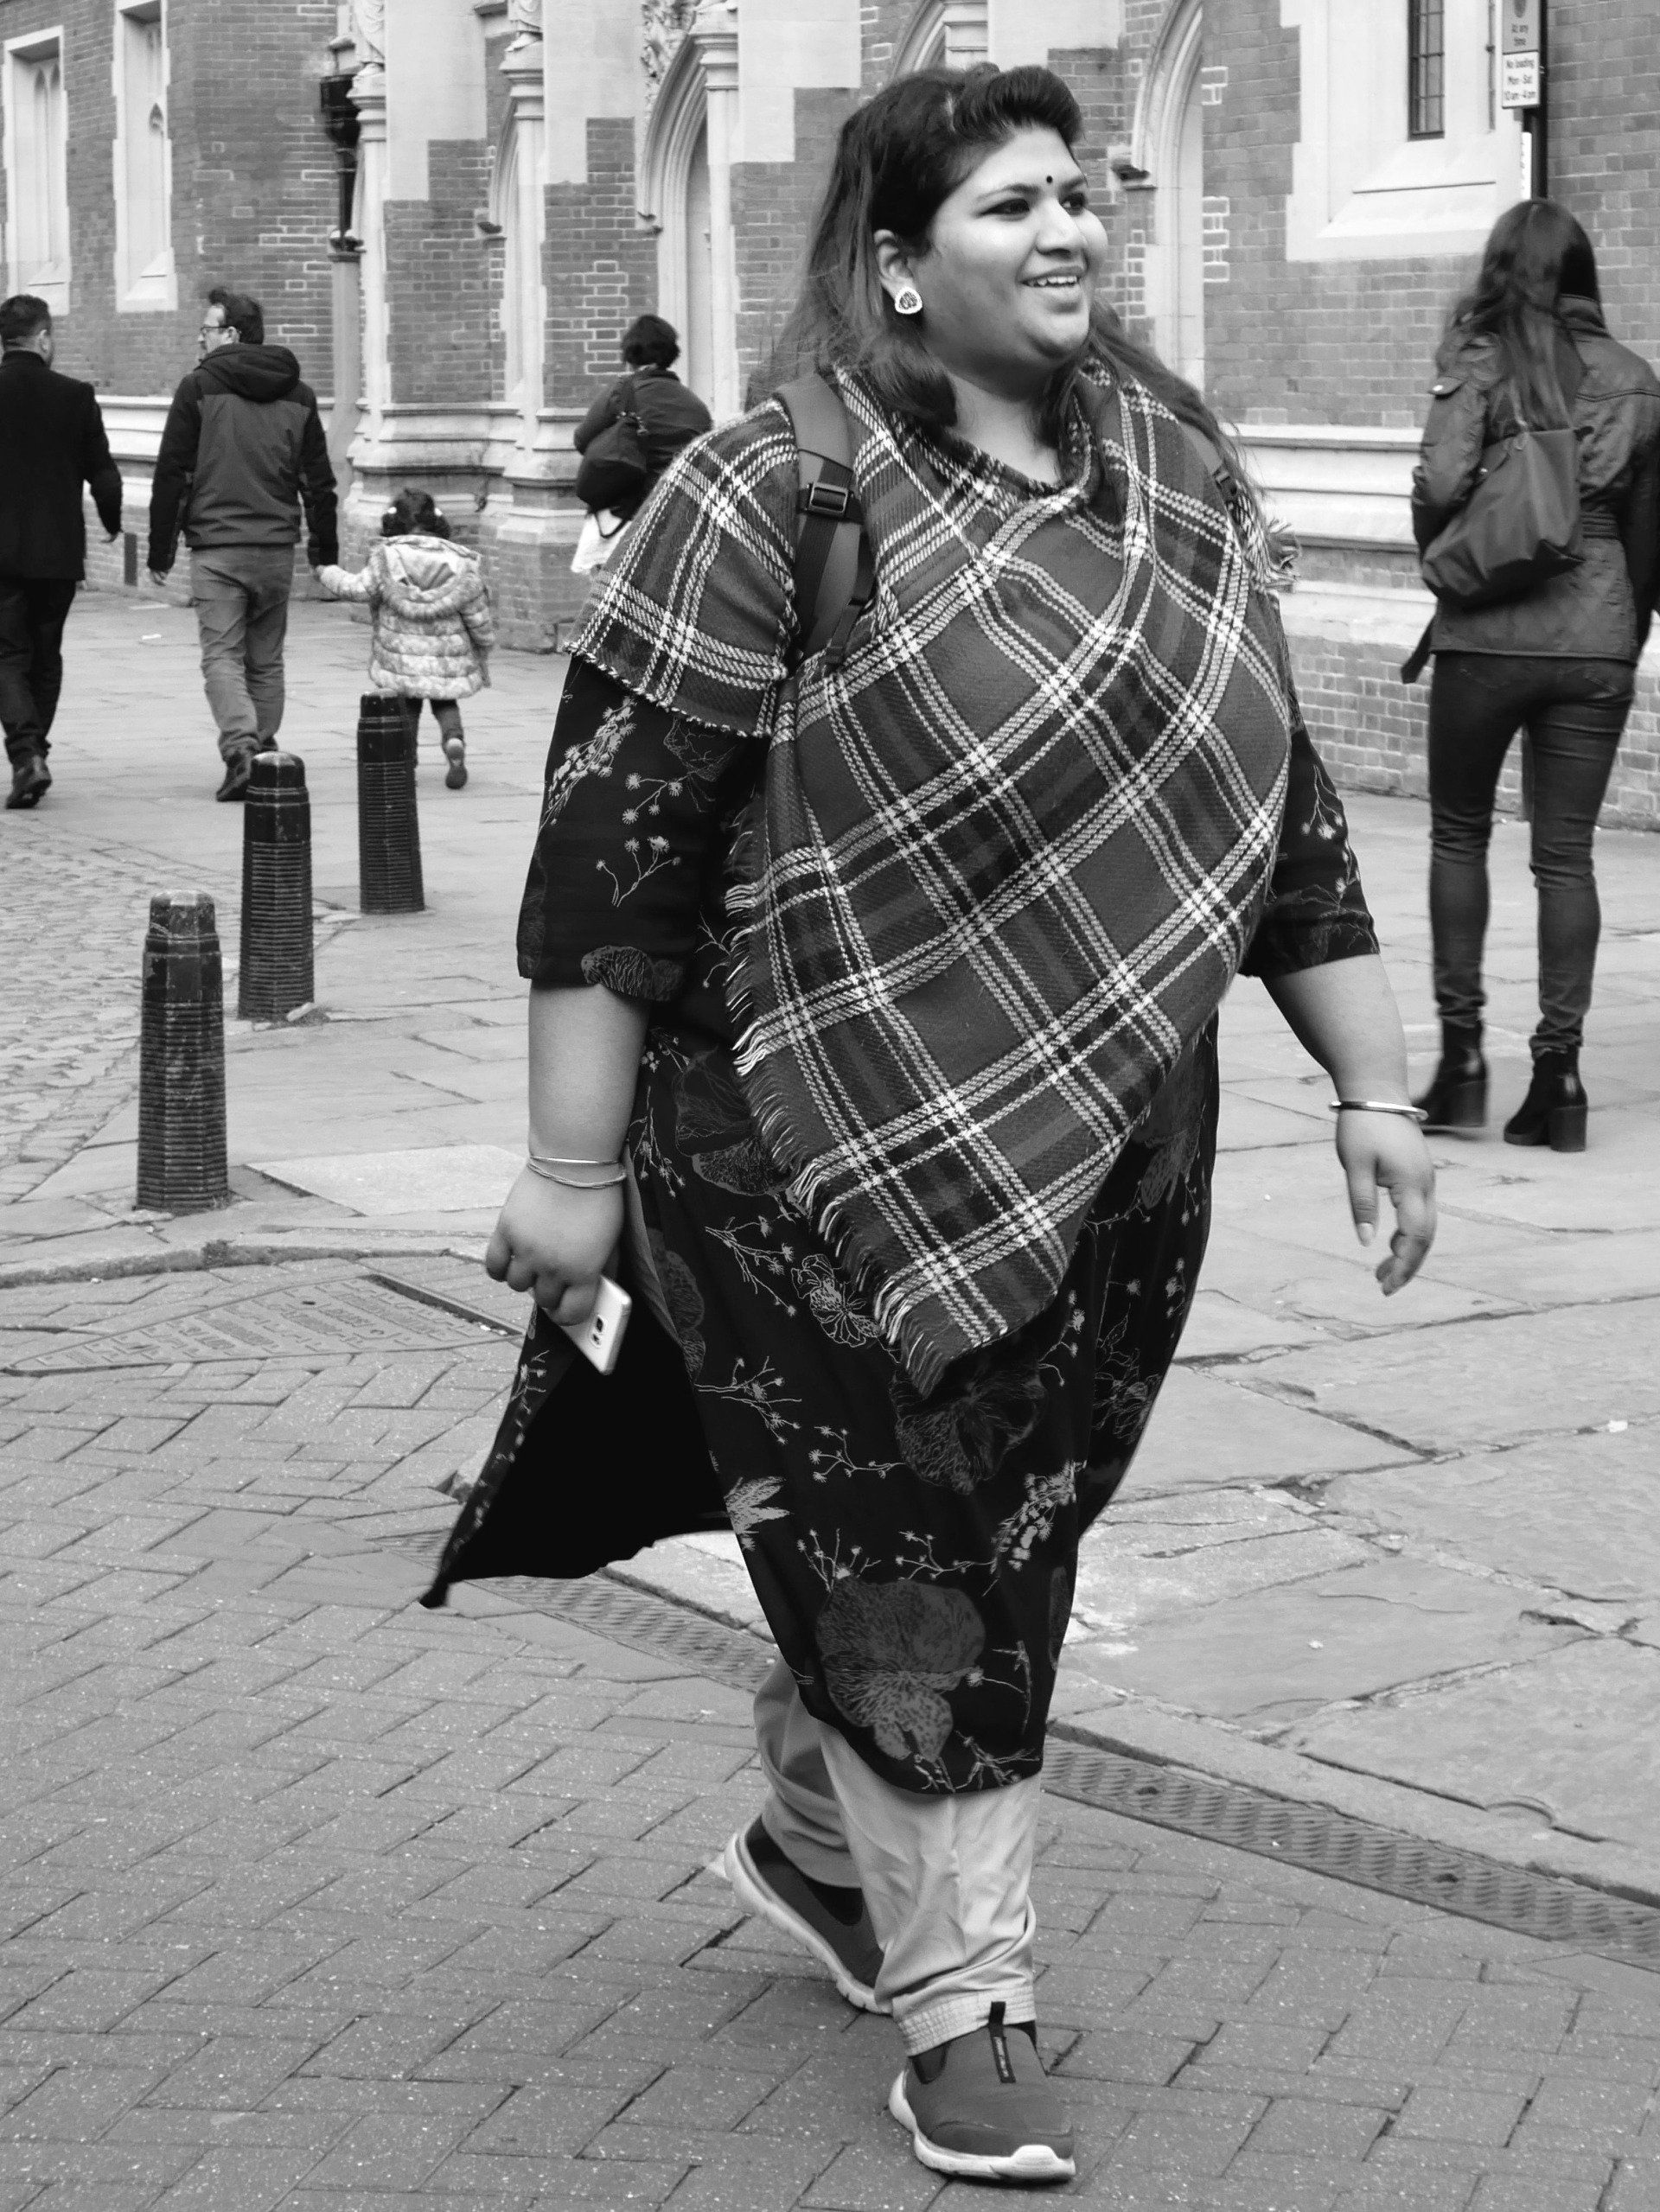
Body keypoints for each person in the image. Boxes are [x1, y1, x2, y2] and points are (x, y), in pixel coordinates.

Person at [459, 66, 1435, 2186]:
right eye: (1008, 206)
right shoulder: (765, 495)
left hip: (1112, 1150)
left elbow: (1279, 812)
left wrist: (1371, 1081)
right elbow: (611, 853)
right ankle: (968, 2003)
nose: (1065, 230)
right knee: (917, 1561)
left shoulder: (1175, 475)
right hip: (800, 1150)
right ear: (898, 264)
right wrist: (566, 1164)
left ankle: (826, 1837)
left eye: (1075, 193)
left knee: (1004, 1536)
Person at [1410, 201, 1660, 1151]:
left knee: (1458, 836)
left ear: (1501, 269)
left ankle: (1462, 1062)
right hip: (1596, 636)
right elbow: (1649, 534)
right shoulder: (1639, 381)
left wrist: (1458, 558)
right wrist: (1621, 636)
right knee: (1567, 858)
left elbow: (1438, 485)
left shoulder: (1480, 360)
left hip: (1485, 636)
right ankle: (1559, 1078)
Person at [145, 286, 338, 800]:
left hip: (217, 550)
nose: (200, 338)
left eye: (206, 329)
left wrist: (160, 549)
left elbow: (173, 473)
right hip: (275, 550)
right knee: (266, 659)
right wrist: (325, 555)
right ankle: (265, 747)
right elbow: (318, 482)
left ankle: (240, 750)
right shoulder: (298, 395)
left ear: (230, 334)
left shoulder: (198, 389)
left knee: (222, 657)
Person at [0, 295, 123, 810]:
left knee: (8, 655)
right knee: (46, 655)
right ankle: (35, 753)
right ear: (44, 338)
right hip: (57, 551)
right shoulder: (75, 395)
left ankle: (27, 753)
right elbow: (105, 473)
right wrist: (113, 522)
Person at [316, 488, 494, 789]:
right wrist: (484, 643)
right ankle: (453, 741)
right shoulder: (460, 562)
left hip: (401, 656)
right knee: (445, 702)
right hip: (447, 656)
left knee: (406, 709)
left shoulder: (386, 558)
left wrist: (327, 572)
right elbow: (478, 614)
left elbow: (358, 589)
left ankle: (405, 762)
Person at [570, 314, 712, 571]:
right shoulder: (697, 406)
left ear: (631, 352)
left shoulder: (622, 392)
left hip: (621, 518)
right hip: (676, 521)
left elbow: (581, 440)